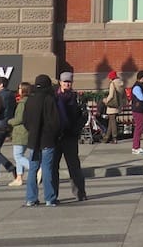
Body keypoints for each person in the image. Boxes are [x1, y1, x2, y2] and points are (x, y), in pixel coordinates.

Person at [22, 74, 61, 207]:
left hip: (33, 139)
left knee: (33, 169)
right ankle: (50, 198)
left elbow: (25, 121)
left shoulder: (30, 100)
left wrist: (32, 131)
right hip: (47, 139)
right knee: (47, 168)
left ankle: (31, 198)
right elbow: (55, 122)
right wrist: (54, 134)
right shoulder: (49, 99)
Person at [53, 72, 88, 202]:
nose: (67, 84)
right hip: (57, 137)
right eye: (65, 82)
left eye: (69, 82)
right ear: (60, 82)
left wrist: (75, 129)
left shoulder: (77, 97)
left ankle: (80, 193)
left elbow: (84, 115)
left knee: (74, 166)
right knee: (53, 167)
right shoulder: (54, 97)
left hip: (70, 137)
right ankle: (53, 195)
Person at [8, 81, 32, 187]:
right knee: (20, 155)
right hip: (26, 132)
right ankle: (19, 177)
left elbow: (19, 119)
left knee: (18, 156)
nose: (18, 90)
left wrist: (9, 121)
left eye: (20, 88)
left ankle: (35, 168)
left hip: (20, 132)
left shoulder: (22, 103)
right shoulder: (30, 101)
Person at [102, 70, 126, 143]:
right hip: (118, 104)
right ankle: (106, 137)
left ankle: (114, 137)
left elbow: (111, 95)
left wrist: (106, 100)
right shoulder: (121, 83)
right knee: (111, 121)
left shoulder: (113, 83)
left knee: (112, 121)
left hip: (112, 105)